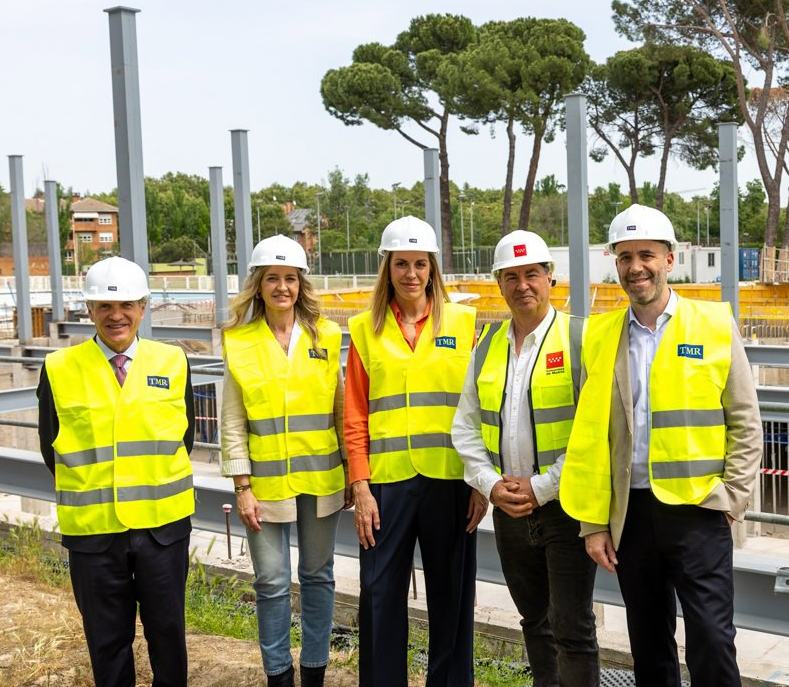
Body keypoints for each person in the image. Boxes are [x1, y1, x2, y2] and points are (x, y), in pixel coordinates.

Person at [561, 204, 763, 687]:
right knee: (648, 644)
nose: (636, 267)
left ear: (669, 260)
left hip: (699, 509)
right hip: (630, 514)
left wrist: (731, 498)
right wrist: (594, 521)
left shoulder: (712, 324)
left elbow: (746, 420)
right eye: (625, 256)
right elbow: (591, 435)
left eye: (646, 255)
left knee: (712, 641)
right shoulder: (601, 334)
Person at [36, 257, 194, 687]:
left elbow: (186, 438)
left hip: (162, 529)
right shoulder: (59, 368)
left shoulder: (173, 362)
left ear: (143, 307)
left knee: (168, 635)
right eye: (105, 307)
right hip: (94, 532)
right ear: (89, 311)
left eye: (126, 305)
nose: (116, 315)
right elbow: (51, 446)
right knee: (107, 641)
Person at [452, 231, 599, 687]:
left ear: (550, 278)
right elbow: (466, 424)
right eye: (511, 277)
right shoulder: (488, 343)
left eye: (532, 274)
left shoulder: (580, 338)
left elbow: (592, 433)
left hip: (566, 508)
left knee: (572, 628)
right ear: (499, 283)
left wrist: (541, 487)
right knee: (534, 620)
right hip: (510, 509)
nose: (523, 286)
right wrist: (489, 483)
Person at [344, 216, 485, 687]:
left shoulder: (464, 324)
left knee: (452, 597)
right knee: (380, 595)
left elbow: (481, 408)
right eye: (401, 264)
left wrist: (480, 483)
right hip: (387, 485)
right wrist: (360, 486)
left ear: (432, 269)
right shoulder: (365, 329)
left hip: (451, 482)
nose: (410, 274)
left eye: (419, 264)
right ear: (387, 268)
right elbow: (355, 414)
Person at [220, 236, 347, 687]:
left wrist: (352, 473)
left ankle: (314, 671)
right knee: (271, 582)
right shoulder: (237, 341)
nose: (281, 287)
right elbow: (232, 421)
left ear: (301, 284)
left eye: (290, 278)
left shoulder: (327, 336)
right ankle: (278, 674)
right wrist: (242, 487)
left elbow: (339, 408)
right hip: (265, 486)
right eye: (272, 278)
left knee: (318, 575)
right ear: (258, 285)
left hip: (321, 477)